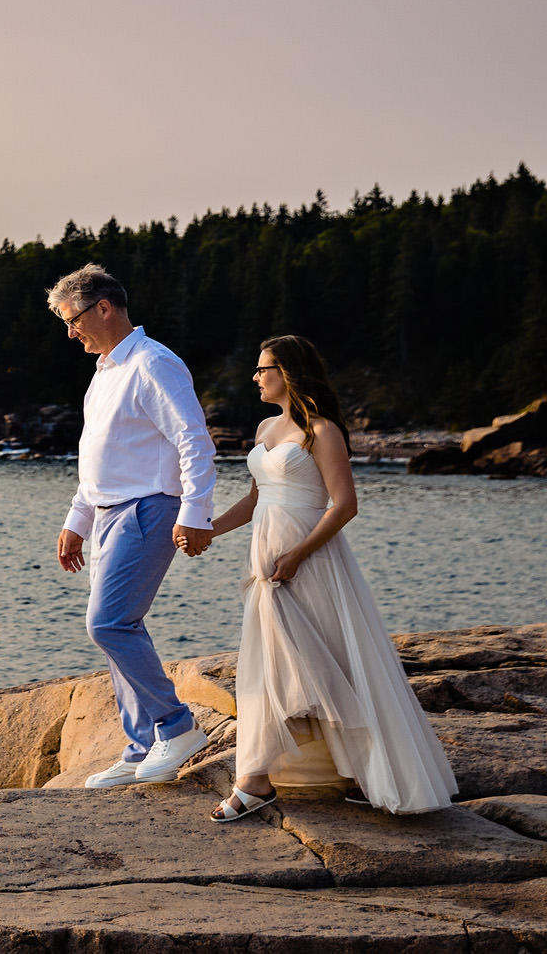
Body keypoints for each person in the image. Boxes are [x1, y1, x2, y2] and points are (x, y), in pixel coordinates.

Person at [189, 334, 457, 821]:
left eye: (263, 367)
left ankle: (260, 782)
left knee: (323, 659)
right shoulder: (266, 427)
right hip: (266, 556)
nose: (256, 376)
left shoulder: (322, 430)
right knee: (281, 661)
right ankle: (302, 775)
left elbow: (345, 505)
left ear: (288, 372)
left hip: (308, 558)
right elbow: (255, 500)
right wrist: (208, 530)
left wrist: (297, 554)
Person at [49, 264, 218, 787]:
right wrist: (76, 519)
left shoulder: (153, 363)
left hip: (149, 508)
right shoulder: (104, 372)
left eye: (72, 319)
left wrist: (195, 514)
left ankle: (177, 725)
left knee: (109, 623)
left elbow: (195, 443)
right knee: (120, 628)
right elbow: (101, 458)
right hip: (107, 512)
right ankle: (142, 743)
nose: (70, 332)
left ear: (104, 308)